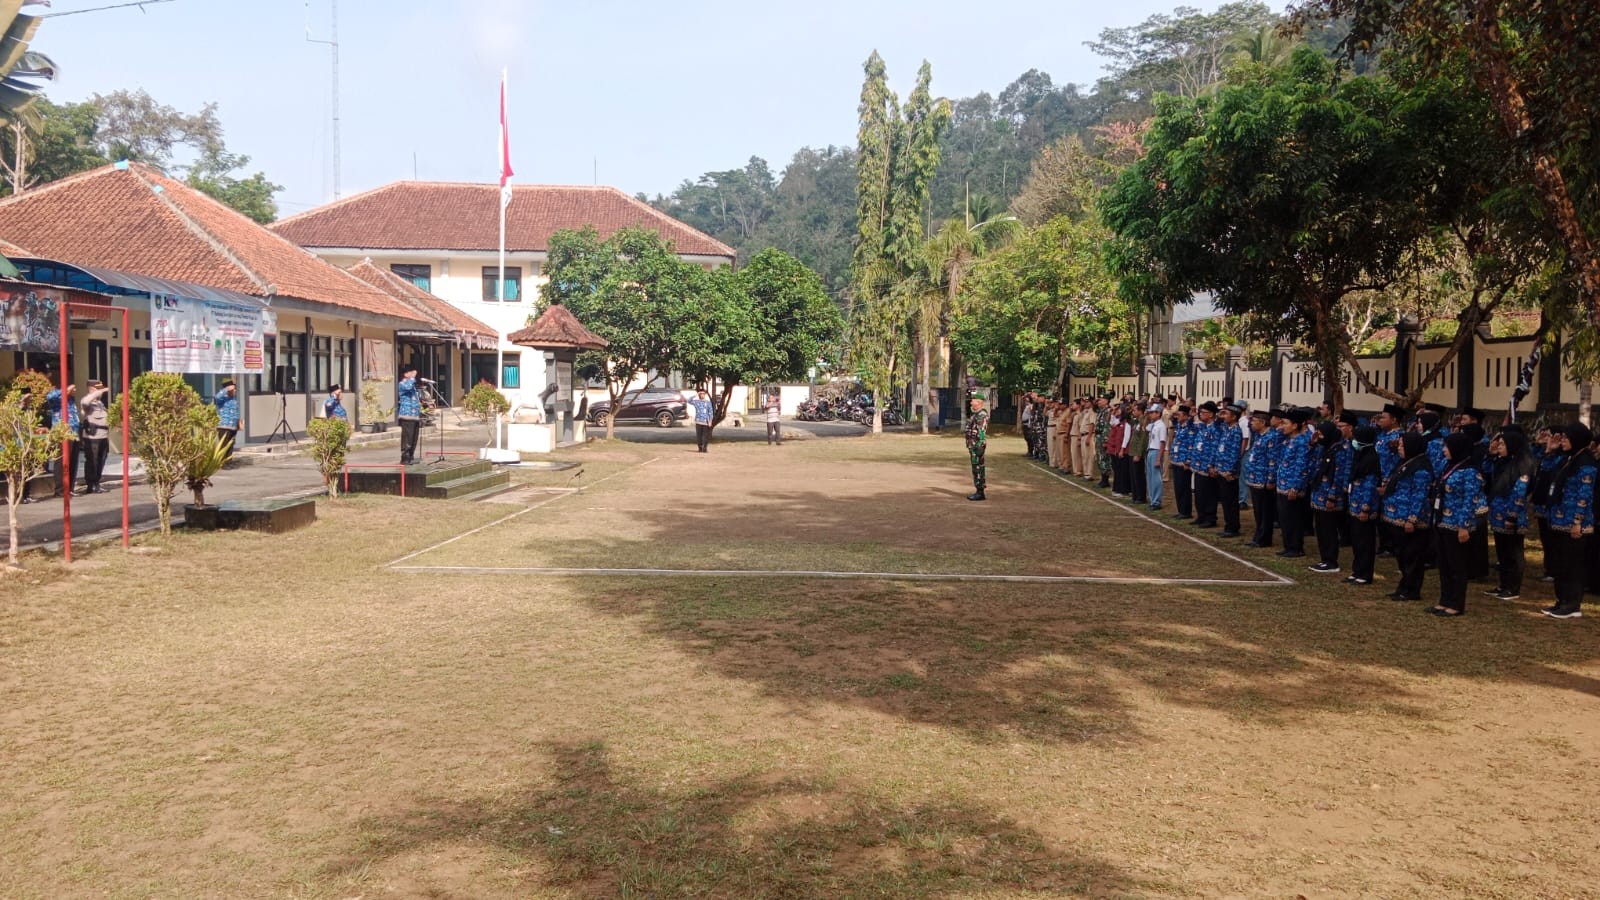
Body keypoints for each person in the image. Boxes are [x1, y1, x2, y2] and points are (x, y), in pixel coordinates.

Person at [1538, 423, 1595, 619]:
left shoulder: (1586, 464)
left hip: (1575, 523)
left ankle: (1572, 604)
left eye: (1565, 438)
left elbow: (1584, 495)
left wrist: (1578, 521)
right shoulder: (1568, 459)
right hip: (1559, 520)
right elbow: (1545, 469)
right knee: (1560, 564)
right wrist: (1551, 450)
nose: (1562, 441)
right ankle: (1561, 601)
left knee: (1573, 565)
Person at [1430, 432, 1487, 617]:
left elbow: (1469, 501)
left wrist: (1464, 526)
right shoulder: (1449, 466)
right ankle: (1444, 600)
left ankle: (1456, 603)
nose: (1444, 450)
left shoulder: (1470, 472)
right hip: (1442, 522)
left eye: (1447, 447)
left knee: (1457, 566)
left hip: (1457, 524)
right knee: (1444, 564)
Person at [1381, 432, 1435, 602]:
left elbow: (1420, 495)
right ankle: (1404, 586)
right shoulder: (1406, 463)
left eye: (1403, 445)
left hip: (1411, 520)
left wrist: (1412, 518)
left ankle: (1412, 589)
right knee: (1402, 555)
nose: (1400, 448)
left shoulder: (1421, 468)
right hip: (1397, 516)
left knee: (1412, 556)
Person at [1484, 429, 1535, 601]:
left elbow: (1519, 492)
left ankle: (1513, 587)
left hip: (1511, 515)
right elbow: (1486, 472)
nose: (1499, 446)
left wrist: (1512, 515)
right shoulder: (1502, 462)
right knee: (1502, 552)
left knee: (1513, 552)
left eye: (1503, 444)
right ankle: (1503, 584)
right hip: (1498, 513)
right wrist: (1491, 454)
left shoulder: (1522, 464)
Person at [1274, 407, 1317, 558]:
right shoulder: (1288, 440)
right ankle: (1288, 545)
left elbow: (1302, 467)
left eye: (1285, 423)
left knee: (1294, 518)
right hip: (1282, 484)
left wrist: (1295, 487)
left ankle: (1296, 547)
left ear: (1295, 425)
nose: (1282, 426)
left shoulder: (1302, 442)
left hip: (1292, 486)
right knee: (1284, 518)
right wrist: (1280, 428)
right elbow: (1276, 438)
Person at [1308, 421, 1351, 573]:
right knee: (1320, 528)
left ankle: (1331, 560)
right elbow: (1313, 464)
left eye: (1321, 434)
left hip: (1329, 497)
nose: (1319, 436)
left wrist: (1332, 497)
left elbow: (1339, 475)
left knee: (1329, 530)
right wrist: (1313, 444)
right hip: (1319, 494)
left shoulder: (1339, 450)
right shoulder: (1324, 448)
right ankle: (1324, 558)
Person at [1345, 426, 1382, 586]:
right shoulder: (1359, 456)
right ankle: (1357, 570)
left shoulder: (1371, 459)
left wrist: (1366, 507)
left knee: (1365, 542)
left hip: (1364, 507)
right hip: (1355, 504)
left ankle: (1365, 573)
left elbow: (1370, 486)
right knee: (1357, 541)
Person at [1243, 409, 1281, 548]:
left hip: (1264, 480)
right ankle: (1258, 535)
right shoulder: (1259, 435)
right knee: (1258, 511)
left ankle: (1264, 538)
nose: (1251, 423)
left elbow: (1273, 460)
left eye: (1254, 421)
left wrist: (1271, 480)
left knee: (1265, 511)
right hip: (1255, 478)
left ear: (1263, 422)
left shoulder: (1271, 437)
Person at [1212, 403, 1245, 537]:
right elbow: (1216, 425)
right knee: (1225, 500)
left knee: (1230, 500)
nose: (1223, 416)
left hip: (1228, 472)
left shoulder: (1236, 431)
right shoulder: (1226, 428)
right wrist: (1219, 416)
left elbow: (1235, 453)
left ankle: (1233, 527)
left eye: (1226, 414)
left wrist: (1230, 471)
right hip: (1221, 469)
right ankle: (1228, 525)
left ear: (1234, 417)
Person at [45, 382, 80, 494]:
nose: (74, 391)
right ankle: (60, 489)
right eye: (72, 389)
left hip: (73, 433)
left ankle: (70, 488)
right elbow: (49, 396)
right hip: (62, 433)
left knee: (73, 461)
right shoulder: (57, 400)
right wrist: (64, 390)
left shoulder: (71, 400)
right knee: (61, 461)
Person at [78, 380, 111, 494]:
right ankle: (90, 484)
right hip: (92, 438)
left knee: (101, 461)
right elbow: (86, 401)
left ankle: (97, 483)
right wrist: (100, 391)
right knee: (92, 461)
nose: (101, 392)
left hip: (103, 436)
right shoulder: (86, 401)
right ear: (91, 389)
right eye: (98, 389)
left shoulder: (100, 404)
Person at [1190, 402, 1220, 528]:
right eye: (1200, 412)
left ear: (1212, 414)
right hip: (1198, 464)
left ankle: (1210, 518)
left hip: (1207, 465)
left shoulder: (1215, 429)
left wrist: (1211, 465)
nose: (1200, 414)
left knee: (1209, 494)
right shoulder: (1203, 427)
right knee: (1199, 493)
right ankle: (1201, 515)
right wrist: (1193, 416)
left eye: (1203, 412)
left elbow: (1215, 448)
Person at [1169, 405, 1196, 519]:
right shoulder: (1180, 426)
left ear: (1186, 416)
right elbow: (1172, 418)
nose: (1177, 417)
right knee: (1178, 487)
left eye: (1180, 415)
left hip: (1184, 461)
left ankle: (1186, 511)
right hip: (1176, 460)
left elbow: (1191, 445)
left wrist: (1188, 461)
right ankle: (1181, 510)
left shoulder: (1190, 428)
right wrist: (1175, 414)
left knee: (1184, 488)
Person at [965, 391, 989, 501]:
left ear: (979, 402)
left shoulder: (981, 415)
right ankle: (979, 490)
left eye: (973, 401)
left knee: (978, 468)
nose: (971, 402)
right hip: (973, 444)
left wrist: (979, 444)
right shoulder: (976, 414)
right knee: (976, 467)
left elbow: (982, 431)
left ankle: (980, 492)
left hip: (977, 445)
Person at [1144, 403, 1169, 511]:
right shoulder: (1153, 424)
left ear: (1158, 413)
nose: (1150, 415)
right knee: (1150, 477)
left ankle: (1156, 501)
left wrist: (1159, 458)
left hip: (1156, 451)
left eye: (1152, 413)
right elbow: (1145, 428)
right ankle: (1152, 498)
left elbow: (1162, 443)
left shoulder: (1161, 426)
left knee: (1156, 478)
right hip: (1150, 451)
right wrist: (1146, 417)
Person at [397, 366, 422, 464]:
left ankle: (411, 456)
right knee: (407, 437)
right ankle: (405, 458)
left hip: (415, 416)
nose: (412, 374)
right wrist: (412, 377)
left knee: (414, 438)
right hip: (407, 415)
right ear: (405, 374)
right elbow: (407, 386)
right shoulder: (402, 384)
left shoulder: (412, 386)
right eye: (410, 372)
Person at [1107, 402, 1131, 497]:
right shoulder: (1118, 422)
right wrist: (1113, 411)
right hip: (1115, 449)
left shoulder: (1126, 424)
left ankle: (1122, 489)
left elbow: (1126, 437)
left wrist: (1122, 449)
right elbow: (1111, 422)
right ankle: (1117, 488)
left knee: (1122, 470)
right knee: (1117, 470)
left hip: (1122, 450)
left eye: (1119, 409)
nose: (1117, 411)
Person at [1127, 402, 1150, 504]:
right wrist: (1128, 412)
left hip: (1137, 452)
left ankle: (1141, 496)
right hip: (1132, 451)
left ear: (1140, 411)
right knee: (1133, 475)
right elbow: (1127, 420)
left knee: (1139, 475)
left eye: (1135, 410)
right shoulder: (1136, 421)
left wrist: (1139, 453)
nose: (1133, 412)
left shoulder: (1143, 421)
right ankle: (1135, 495)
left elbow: (1142, 439)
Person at [213, 379, 240, 462]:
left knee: (230, 445)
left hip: (233, 426)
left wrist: (239, 423)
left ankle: (229, 461)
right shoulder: (222, 399)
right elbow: (217, 397)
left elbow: (236, 412)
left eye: (235, 389)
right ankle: (223, 462)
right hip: (224, 426)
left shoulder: (234, 399)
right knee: (223, 445)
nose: (234, 391)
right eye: (233, 389)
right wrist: (226, 389)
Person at [689, 387, 714, 453]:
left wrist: (710, 421)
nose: (702, 395)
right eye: (701, 394)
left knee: (705, 436)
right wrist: (696, 395)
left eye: (703, 394)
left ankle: (705, 448)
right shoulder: (696, 402)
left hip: (705, 421)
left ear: (705, 394)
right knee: (699, 436)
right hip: (698, 421)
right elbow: (689, 400)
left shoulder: (708, 402)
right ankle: (700, 448)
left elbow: (710, 412)